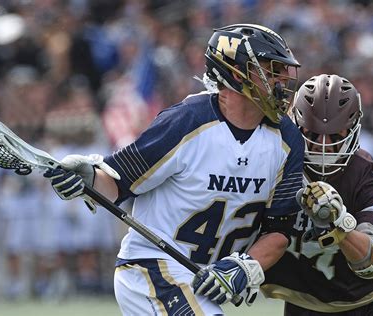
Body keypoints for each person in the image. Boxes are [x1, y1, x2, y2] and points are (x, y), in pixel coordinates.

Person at [44, 24, 304, 315]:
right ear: (234, 73)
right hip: (151, 267)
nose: (281, 80)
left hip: (205, 281)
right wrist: (87, 177)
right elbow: (117, 184)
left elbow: (279, 231)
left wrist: (244, 267)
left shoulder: (287, 139)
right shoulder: (186, 122)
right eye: (270, 70)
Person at [262, 74, 373, 315]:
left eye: (334, 135)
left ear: (352, 130)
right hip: (305, 303)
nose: (323, 144)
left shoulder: (367, 177)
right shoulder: (275, 166)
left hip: (372, 303)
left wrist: (339, 222)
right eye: (312, 133)